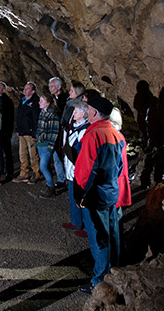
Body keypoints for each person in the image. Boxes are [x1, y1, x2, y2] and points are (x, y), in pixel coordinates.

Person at [74, 94, 126, 294]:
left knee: (99, 238)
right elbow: (121, 168)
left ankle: (100, 280)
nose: (86, 112)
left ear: (94, 112)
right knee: (114, 235)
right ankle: (116, 272)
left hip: (96, 195)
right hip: (112, 191)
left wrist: (80, 195)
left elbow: (86, 170)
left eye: (88, 109)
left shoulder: (94, 134)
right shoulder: (116, 134)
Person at [62, 99, 90, 237]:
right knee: (73, 196)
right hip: (72, 169)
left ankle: (88, 227)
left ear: (84, 114)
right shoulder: (76, 126)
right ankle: (76, 221)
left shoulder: (84, 130)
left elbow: (80, 152)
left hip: (78, 170)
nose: (73, 114)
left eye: (76, 111)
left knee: (83, 199)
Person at [35, 95, 65, 197]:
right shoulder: (42, 113)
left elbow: (54, 134)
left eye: (41, 100)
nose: (39, 102)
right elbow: (39, 128)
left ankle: (51, 187)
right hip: (40, 144)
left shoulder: (53, 116)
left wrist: (49, 146)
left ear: (48, 103)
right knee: (45, 166)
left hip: (47, 144)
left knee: (43, 166)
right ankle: (49, 186)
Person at [12, 81, 40, 183]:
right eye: (25, 88)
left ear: (32, 91)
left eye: (27, 88)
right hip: (22, 132)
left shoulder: (35, 102)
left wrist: (34, 133)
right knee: (22, 154)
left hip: (30, 133)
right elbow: (19, 117)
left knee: (33, 155)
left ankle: (36, 174)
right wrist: (18, 129)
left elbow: (36, 118)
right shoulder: (23, 100)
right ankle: (24, 173)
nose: (25, 90)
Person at [0, 82, 15, 182]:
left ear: (3, 90)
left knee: (7, 153)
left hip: (5, 131)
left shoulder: (8, 101)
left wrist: (9, 132)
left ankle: (9, 172)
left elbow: (10, 118)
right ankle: (0, 171)